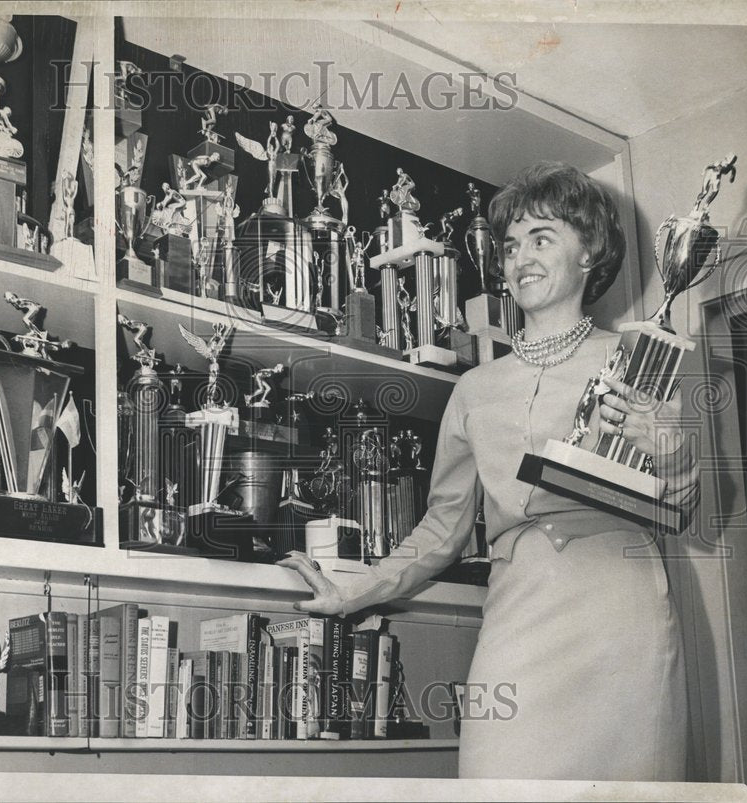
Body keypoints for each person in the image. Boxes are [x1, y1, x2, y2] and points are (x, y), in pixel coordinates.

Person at [278, 161, 697, 782]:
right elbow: (441, 529)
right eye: (509, 245)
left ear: (591, 254)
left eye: (543, 237)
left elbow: (682, 507)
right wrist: (356, 590)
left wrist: (668, 449)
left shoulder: (636, 357)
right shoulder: (474, 389)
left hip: (621, 618)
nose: (520, 257)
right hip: (517, 615)